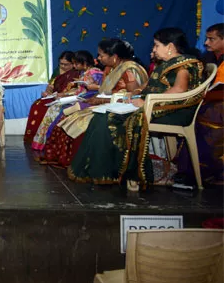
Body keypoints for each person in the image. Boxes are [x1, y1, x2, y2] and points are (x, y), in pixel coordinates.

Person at [69, 28, 204, 190]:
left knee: (110, 118)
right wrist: (135, 94)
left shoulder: (184, 65)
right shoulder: (164, 64)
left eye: (156, 45)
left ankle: (124, 172)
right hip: (154, 105)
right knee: (101, 115)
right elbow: (145, 86)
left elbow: (179, 91)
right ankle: (105, 171)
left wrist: (146, 102)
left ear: (170, 46)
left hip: (172, 110)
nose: (153, 49)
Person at [43, 39, 148, 167]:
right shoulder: (112, 68)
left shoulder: (128, 70)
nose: (98, 58)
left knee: (75, 118)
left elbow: (133, 97)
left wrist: (101, 100)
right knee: (67, 114)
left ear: (114, 57)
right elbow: (106, 90)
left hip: (121, 108)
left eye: (101, 55)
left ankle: (77, 162)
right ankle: (62, 157)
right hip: (107, 103)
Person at [175, 23, 224, 185]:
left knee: (209, 116)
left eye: (211, 39)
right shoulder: (208, 59)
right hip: (210, 100)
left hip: (218, 103)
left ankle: (214, 171)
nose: (206, 43)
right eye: (206, 39)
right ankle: (193, 170)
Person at [31, 50, 103, 151]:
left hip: (89, 100)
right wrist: (63, 95)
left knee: (58, 109)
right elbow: (78, 90)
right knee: (53, 106)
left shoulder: (96, 72)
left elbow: (101, 89)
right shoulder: (83, 73)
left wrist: (91, 88)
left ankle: (51, 144)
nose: (74, 66)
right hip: (79, 97)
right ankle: (42, 142)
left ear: (85, 63)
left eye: (75, 63)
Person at [24, 51, 78, 144]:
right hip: (54, 97)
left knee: (44, 108)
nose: (63, 67)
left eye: (66, 64)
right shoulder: (57, 71)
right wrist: (47, 92)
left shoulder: (77, 73)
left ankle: (47, 140)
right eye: (61, 64)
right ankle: (34, 138)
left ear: (73, 64)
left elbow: (76, 90)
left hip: (67, 98)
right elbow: (50, 87)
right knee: (37, 105)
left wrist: (61, 94)